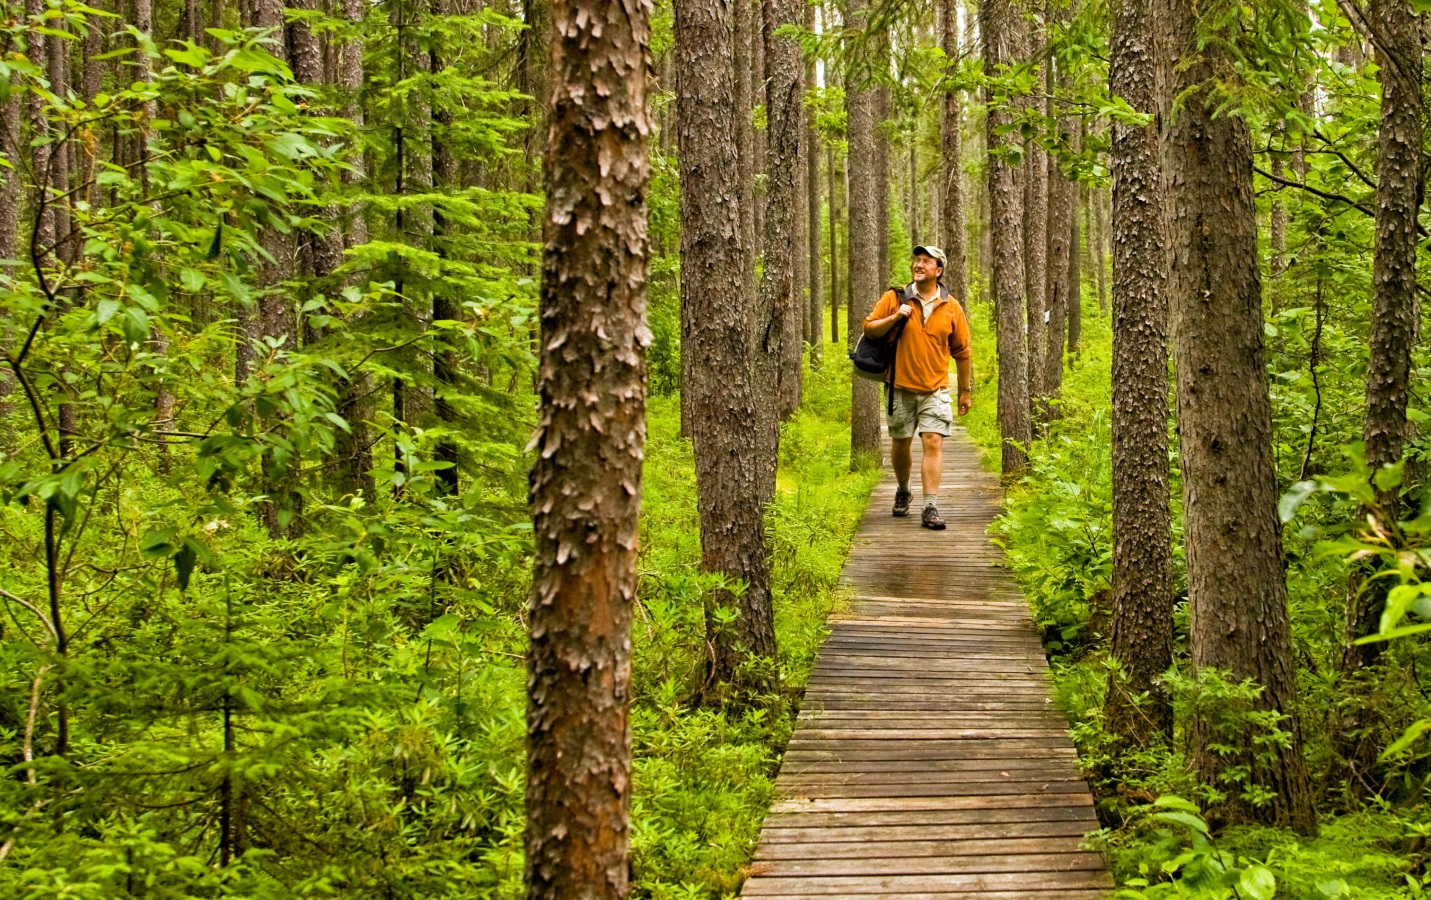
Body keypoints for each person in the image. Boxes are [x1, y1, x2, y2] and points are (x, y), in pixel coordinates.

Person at [862, 245, 973, 530]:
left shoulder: (952, 307)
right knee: (901, 443)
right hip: (899, 385)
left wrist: (965, 391)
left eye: (927, 261)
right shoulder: (895, 297)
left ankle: (930, 506)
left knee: (933, 441)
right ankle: (903, 489)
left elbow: (962, 351)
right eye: (917, 260)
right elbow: (869, 328)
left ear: (939, 270)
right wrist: (895, 317)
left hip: (936, 389)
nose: (919, 264)